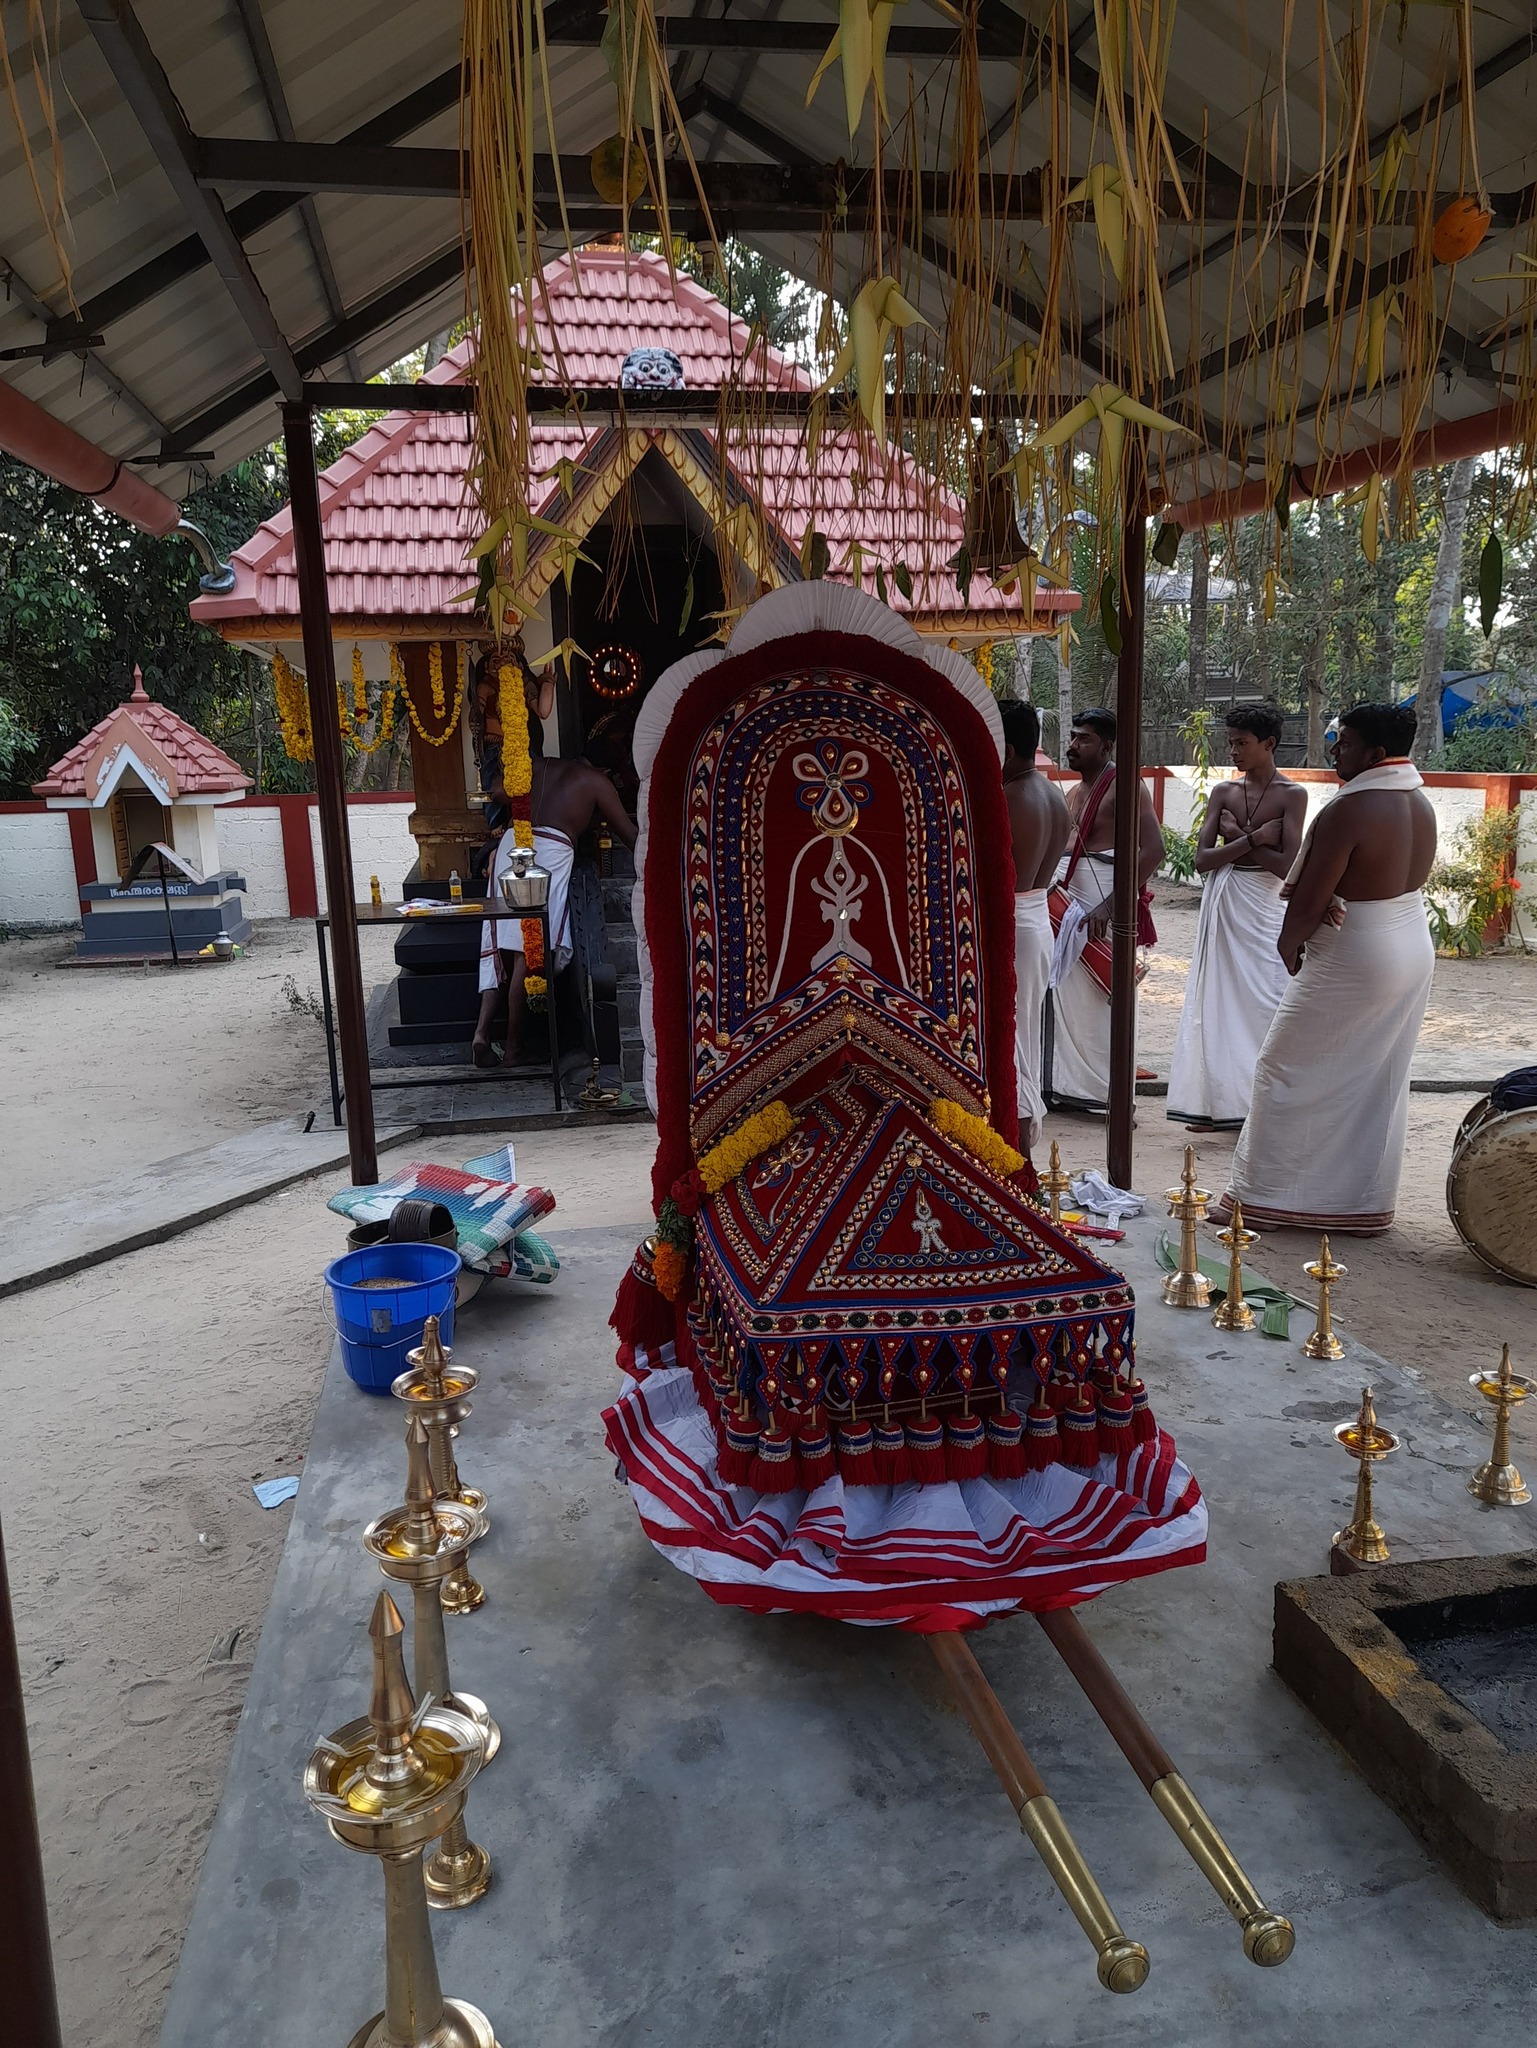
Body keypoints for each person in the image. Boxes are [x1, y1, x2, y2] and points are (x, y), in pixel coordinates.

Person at [1216, 701, 1436, 1234]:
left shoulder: (1349, 810)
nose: (1336, 748)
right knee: (1373, 1074)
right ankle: (1355, 1203)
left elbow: (1311, 897)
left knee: (1281, 1065)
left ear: (1377, 753)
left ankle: (1263, 1198)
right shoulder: (1420, 802)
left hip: (1355, 949)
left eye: (1347, 743)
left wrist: (1289, 945)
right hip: (1409, 941)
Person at [1167, 704, 1307, 1129]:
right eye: (1229, 743)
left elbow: (1288, 865)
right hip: (1226, 902)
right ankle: (1218, 1104)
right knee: (1220, 1001)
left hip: (1265, 905)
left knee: (1268, 998)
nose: (1233, 751)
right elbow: (1203, 861)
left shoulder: (1292, 795)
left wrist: (1244, 838)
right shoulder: (1224, 793)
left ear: (1269, 744)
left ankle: (1266, 1107)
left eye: (1242, 743)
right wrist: (1256, 838)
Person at [473, 708, 637, 1068]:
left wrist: (521, 778)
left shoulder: (536, 766)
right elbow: (630, 836)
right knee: (526, 955)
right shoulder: (596, 783)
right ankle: (513, 1047)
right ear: (608, 769)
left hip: (512, 848)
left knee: (496, 944)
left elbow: (497, 789)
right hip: (547, 857)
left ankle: (482, 1033)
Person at [1043, 707, 1165, 1113]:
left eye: (1084, 738)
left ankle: (1104, 1093)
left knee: (1102, 994)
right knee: (1065, 996)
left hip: (1103, 902)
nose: (1073, 745)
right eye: (1073, 736)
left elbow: (1154, 851)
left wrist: (1109, 907)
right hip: (1070, 903)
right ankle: (1071, 1088)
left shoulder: (1125, 787)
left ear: (1107, 746)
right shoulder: (1075, 792)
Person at [1000, 700, 1070, 1149]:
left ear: (1004, 749)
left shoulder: (1010, 797)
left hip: (1016, 924)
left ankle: (1019, 1148)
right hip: (1036, 920)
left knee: (1013, 1041)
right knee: (1022, 1034)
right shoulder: (1053, 794)